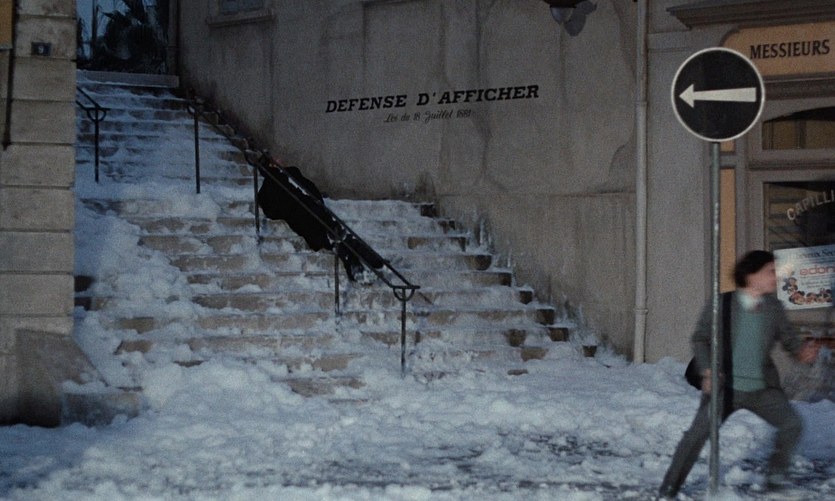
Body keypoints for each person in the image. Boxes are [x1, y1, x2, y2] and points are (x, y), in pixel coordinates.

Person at [658, 250, 820, 498]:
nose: (776, 277)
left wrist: (802, 352)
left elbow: (789, 340)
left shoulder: (774, 307)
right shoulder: (721, 304)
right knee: (695, 436)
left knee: (792, 424)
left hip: (762, 389)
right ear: (751, 275)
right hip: (725, 388)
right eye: (770, 272)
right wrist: (708, 370)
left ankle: (775, 480)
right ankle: (669, 488)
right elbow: (700, 338)